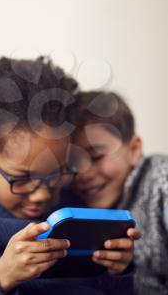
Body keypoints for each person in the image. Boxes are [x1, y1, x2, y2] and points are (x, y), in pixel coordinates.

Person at [0, 58, 137, 295]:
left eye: (55, 174)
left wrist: (118, 270)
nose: (42, 194)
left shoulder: (72, 208)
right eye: (21, 179)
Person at [71, 90, 168, 295]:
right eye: (72, 164)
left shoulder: (162, 181)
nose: (83, 174)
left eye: (96, 157)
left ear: (134, 150)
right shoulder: (73, 202)